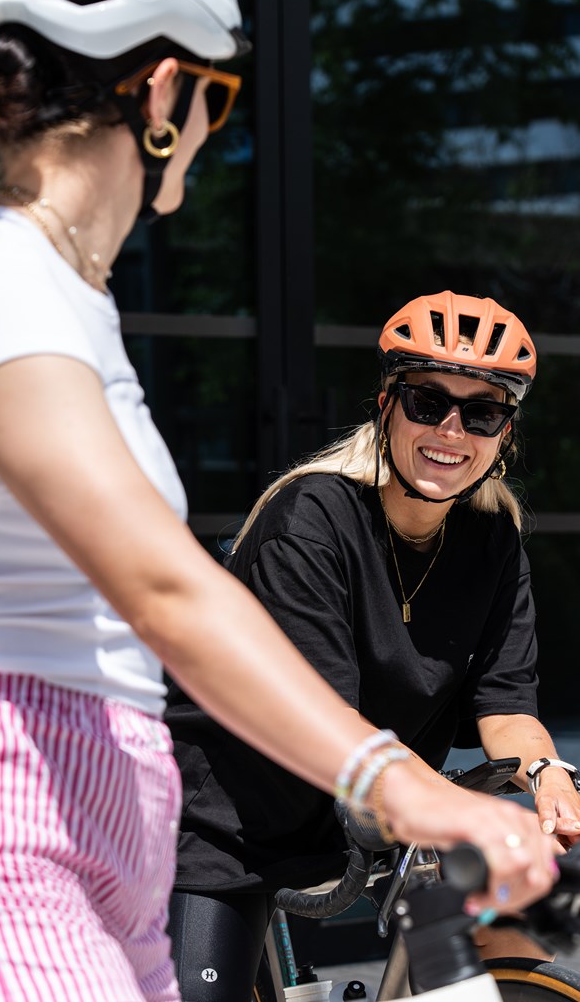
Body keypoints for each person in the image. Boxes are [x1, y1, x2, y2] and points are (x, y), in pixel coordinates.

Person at [0, 0, 559, 996]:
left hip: (105, 814)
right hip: (17, 808)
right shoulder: (4, 287)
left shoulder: (68, 299)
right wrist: (406, 786)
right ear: (161, 96)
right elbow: (162, 588)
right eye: (217, 101)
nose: (206, 130)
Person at [166, 290, 580, 1000]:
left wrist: (545, 773)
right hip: (231, 828)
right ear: (384, 404)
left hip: (384, 812)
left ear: (503, 435)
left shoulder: (491, 538)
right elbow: (325, 726)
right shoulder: (311, 519)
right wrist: (458, 814)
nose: (451, 429)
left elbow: (505, 700)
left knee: (508, 947)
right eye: (426, 402)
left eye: (480, 412)